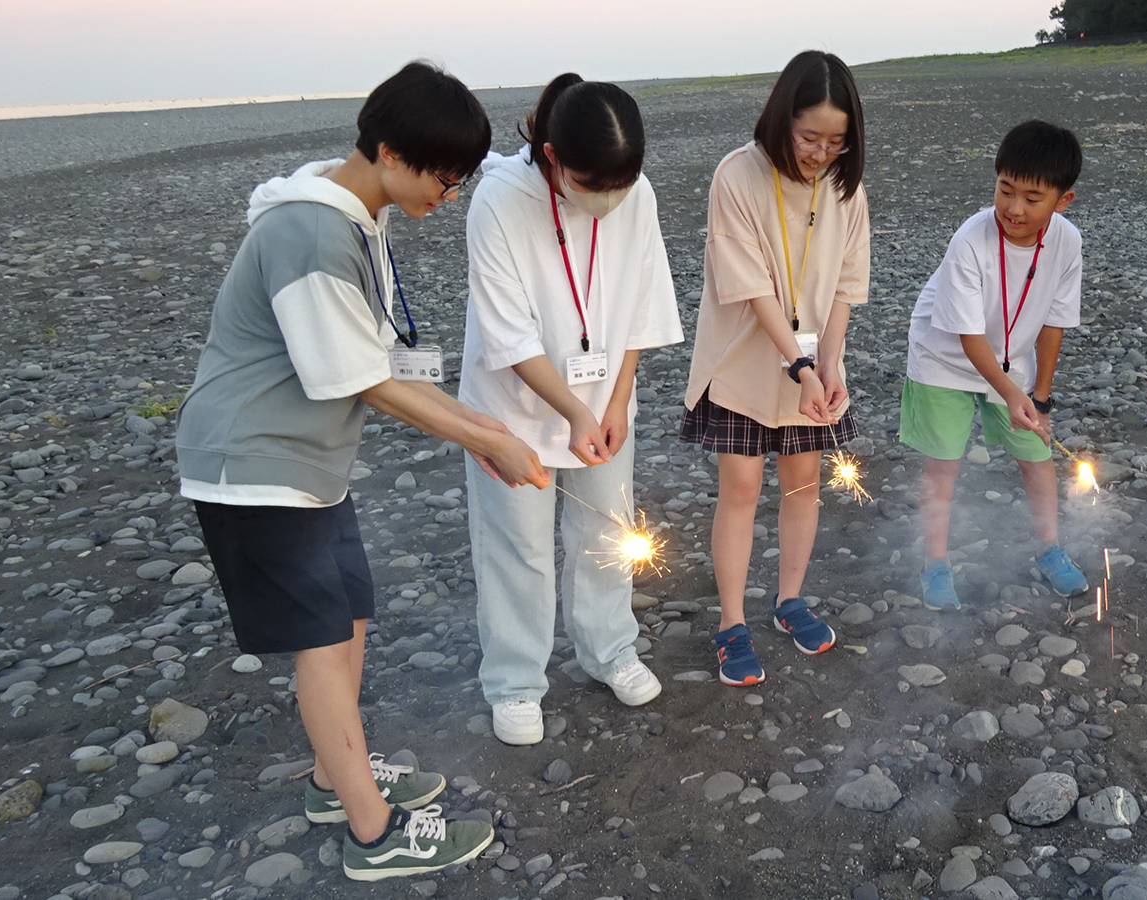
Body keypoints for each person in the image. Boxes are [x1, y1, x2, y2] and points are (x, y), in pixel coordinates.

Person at [176, 62, 548, 881]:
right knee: (319, 641)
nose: (445, 199)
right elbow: (359, 376)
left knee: (350, 620)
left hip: (308, 467)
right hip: (254, 468)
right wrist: (487, 441)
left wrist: (483, 424)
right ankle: (374, 836)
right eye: (442, 179)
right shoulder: (309, 233)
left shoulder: (356, 219)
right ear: (387, 149)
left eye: (458, 183)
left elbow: (375, 360)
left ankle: (331, 778)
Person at [461, 74, 682, 745]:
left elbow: (643, 302)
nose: (610, 202)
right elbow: (510, 336)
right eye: (593, 186)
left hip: (605, 401)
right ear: (553, 157)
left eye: (622, 185)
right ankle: (516, 683)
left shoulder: (633, 193)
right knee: (517, 545)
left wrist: (614, 400)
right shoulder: (498, 201)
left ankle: (610, 649)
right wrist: (573, 413)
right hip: (516, 407)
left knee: (607, 533)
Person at [681, 50, 869, 687]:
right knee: (739, 488)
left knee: (803, 484)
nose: (820, 153)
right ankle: (732, 624)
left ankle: (790, 601)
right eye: (809, 137)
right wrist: (801, 364)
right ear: (779, 120)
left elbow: (845, 284)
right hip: (744, 362)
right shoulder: (737, 176)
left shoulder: (847, 186)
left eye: (836, 142)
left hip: (811, 365)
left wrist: (831, 363)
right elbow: (753, 287)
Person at [899, 120, 1090, 610]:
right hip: (943, 358)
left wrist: (1039, 398)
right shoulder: (971, 239)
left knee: (1037, 453)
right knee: (944, 463)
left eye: (1032, 197)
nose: (1014, 208)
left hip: (1011, 361)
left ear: (1062, 201)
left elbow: (1053, 323)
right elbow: (967, 335)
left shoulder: (1067, 242)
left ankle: (1049, 549)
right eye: (1005, 190)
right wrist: (1011, 394)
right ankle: (936, 565)